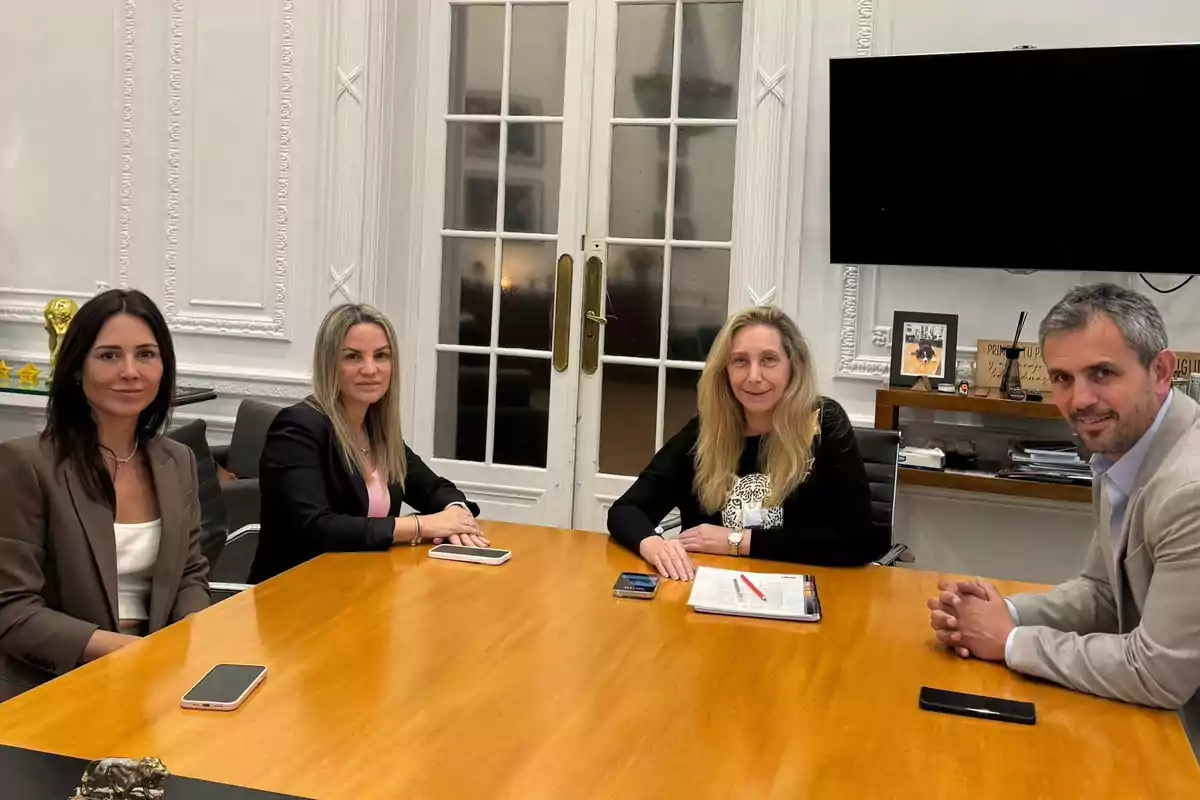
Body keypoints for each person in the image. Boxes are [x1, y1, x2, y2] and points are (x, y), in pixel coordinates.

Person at [927, 283, 1200, 758]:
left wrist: (1010, 641)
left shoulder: (1189, 489)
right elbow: (1101, 593)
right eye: (1063, 379)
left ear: (1160, 372)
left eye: (1102, 373)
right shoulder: (1124, 444)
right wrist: (1004, 614)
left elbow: (1159, 672)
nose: (1079, 400)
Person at [0, 289, 209, 701]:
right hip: (53, 690)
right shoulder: (26, 465)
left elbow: (190, 575)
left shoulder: (177, 460)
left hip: (159, 682)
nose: (130, 371)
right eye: (109, 355)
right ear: (77, 369)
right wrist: (127, 652)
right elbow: (11, 609)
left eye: (146, 355)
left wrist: (186, 643)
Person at [607, 306, 884, 580]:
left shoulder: (823, 424)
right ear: (724, 370)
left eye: (769, 360)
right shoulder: (705, 432)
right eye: (740, 361)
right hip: (710, 595)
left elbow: (858, 541)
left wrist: (737, 541)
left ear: (793, 367)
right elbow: (626, 510)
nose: (754, 376)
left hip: (804, 594)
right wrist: (653, 545)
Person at [250, 303, 484, 582]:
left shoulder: (376, 430)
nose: (370, 369)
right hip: (297, 593)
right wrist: (421, 525)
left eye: (381, 356)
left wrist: (455, 514)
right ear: (329, 365)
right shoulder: (297, 429)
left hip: (364, 584)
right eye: (353, 357)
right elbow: (316, 528)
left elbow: (434, 489)